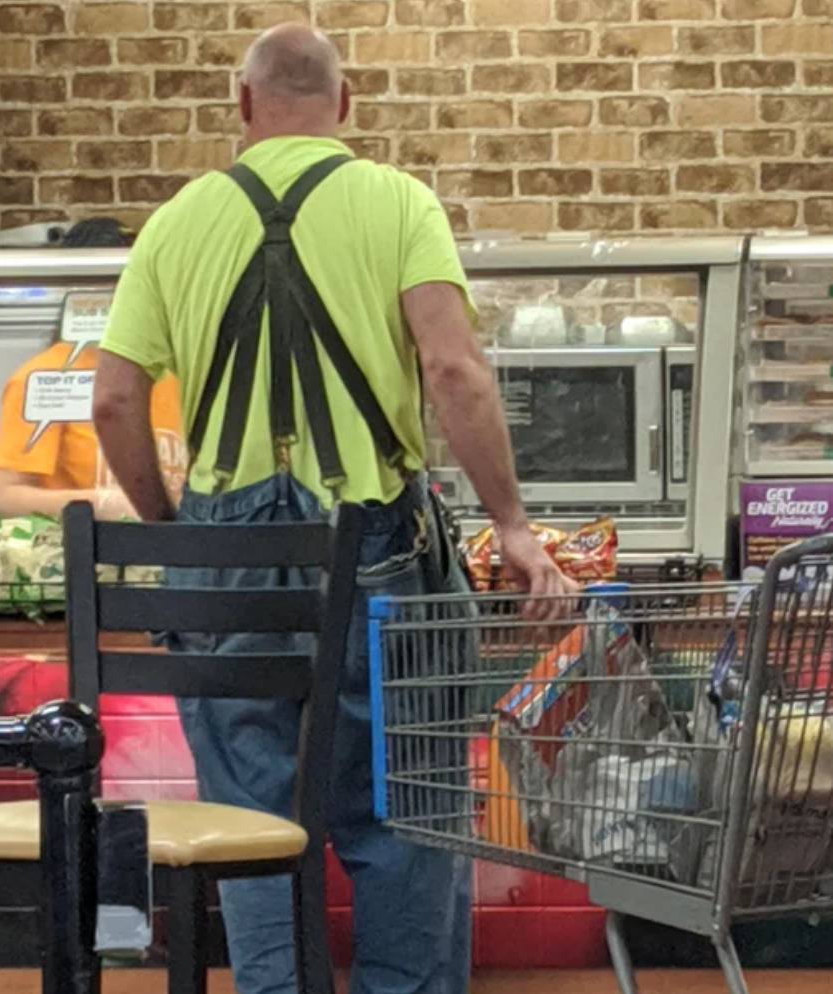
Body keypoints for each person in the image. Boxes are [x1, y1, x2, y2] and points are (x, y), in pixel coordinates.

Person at [93, 23, 577, 994]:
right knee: (405, 808)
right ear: (345, 108)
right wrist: (514, 526)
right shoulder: (398, 201)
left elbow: (112, 398)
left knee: (254, 816)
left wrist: (170, 530)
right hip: (380, 549)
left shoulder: (177, 220)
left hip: (223, 558)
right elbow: (452, 369)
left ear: (241, 106)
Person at [0, 219, 187, 520]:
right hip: (83, 556)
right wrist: (101, 504)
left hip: (176, 553)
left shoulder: (175, 370)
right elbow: (4, 498)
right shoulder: (45, 377)